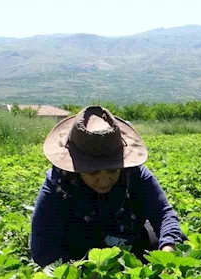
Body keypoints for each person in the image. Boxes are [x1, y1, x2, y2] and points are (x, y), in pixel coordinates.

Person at [30, 106, 186, 267]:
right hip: (81, 254)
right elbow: (42, 248)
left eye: (112, 170)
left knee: (173, 239)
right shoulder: (58, 183)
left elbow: (163, 214)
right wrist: (82, 274)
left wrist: (168, 251)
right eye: (93, 173)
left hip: (128, 241)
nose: (104, 181)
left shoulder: (135, 173)